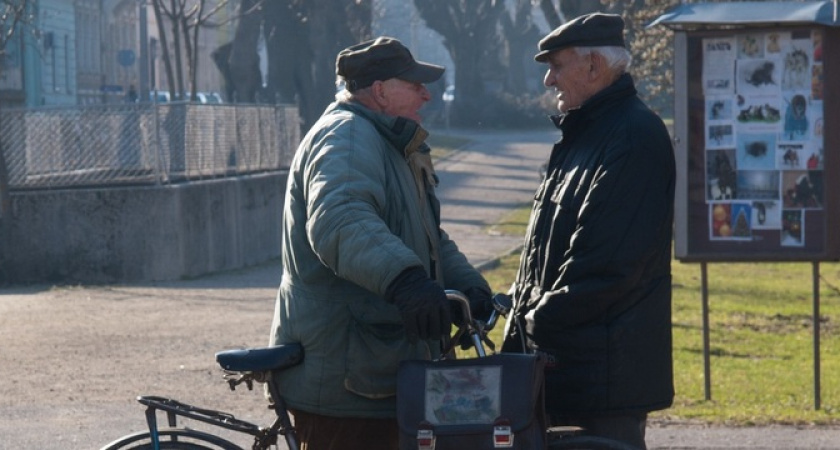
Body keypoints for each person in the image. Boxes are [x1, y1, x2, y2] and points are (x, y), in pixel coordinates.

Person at [268, 36, 493, 450]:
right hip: (348, 380)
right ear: (380, 90)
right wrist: (406, 281)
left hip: (381, 368)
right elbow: (340, 220)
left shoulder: (390, 143)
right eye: (414, 83)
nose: (426, 93)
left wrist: (470, 287)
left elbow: (427, 235)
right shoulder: (348, 138)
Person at [500, 13, 676, 450]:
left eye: (557, 66)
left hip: (601, 384)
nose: (548, 80)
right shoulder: (585, 133)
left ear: (594, 66)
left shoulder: (633, 136)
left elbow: (607, 267)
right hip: (567, 371)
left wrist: (532, 321)